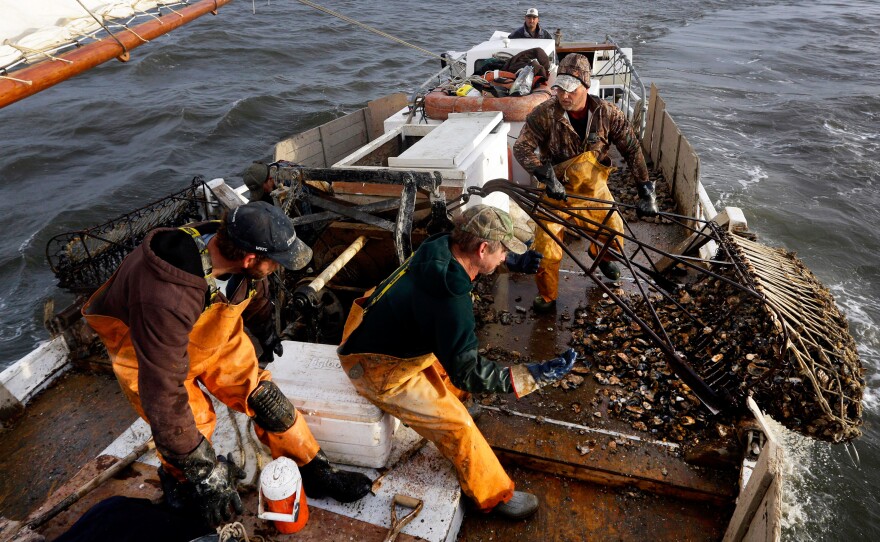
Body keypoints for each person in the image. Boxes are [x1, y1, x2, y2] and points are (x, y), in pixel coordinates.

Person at [82, 201, 371, 527]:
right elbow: (162, 392)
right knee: (190, 428)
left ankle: (314, 470)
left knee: (267, 401)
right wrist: (204, 472)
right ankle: (181, 487)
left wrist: (264, 324)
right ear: (250, 258)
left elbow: (252, 285)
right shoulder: (165, 297)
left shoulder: (228, 247)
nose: (276, 269)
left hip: (211, 336)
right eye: (274, 263)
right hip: (148, 357)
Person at [337, 204, 578, 519]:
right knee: (457, 425)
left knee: (446, 362)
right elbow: (468, 372)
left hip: (370, 325)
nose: (506, 255)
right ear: (481, 249)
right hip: (377, 368)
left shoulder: (437, 247)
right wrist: (531, 375)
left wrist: (509, 262)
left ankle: (463, 402)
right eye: (504, 250)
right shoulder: (451, 301)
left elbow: (472, 267)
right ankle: (494, 496)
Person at [512, 53, 658, 313]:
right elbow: (522, 149)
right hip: (555, 193)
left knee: (615, 229)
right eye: (560, 89)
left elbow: (632, 150)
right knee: (547, 250)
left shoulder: (608, 114)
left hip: (594, 190)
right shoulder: (544, 114)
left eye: (571, 90)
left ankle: (601, 256)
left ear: (586, 87)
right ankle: (547, 296)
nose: (564, 96)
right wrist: (545, 176)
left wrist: (645, 191)